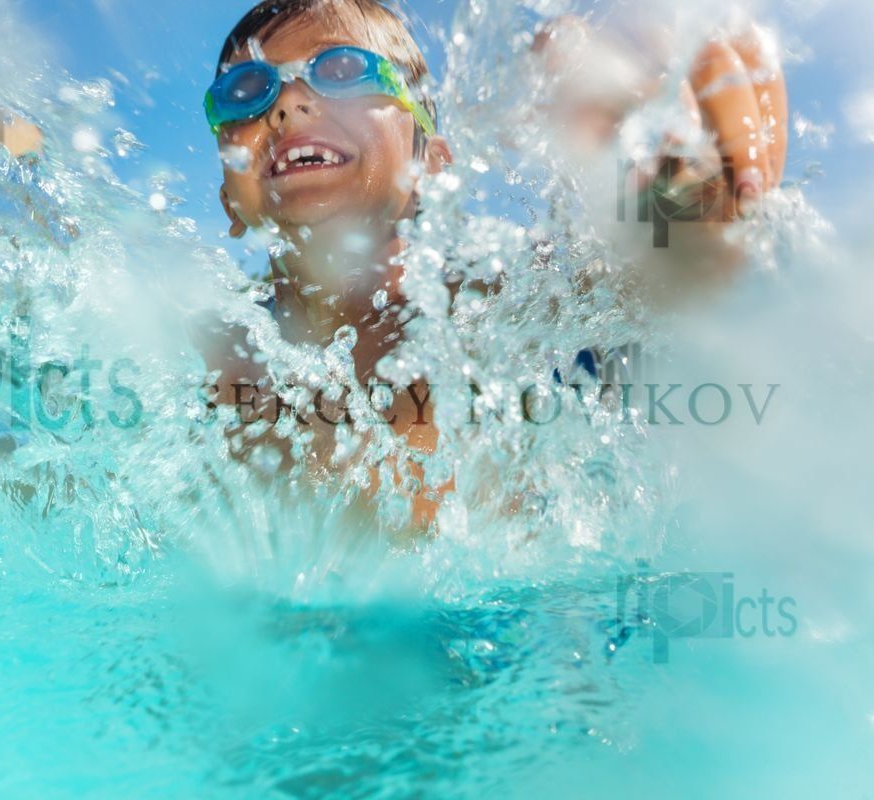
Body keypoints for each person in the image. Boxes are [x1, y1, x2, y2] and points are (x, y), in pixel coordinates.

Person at [197, 0, 788, 528]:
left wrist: (692, 175)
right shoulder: (201, 357)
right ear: (230, 198)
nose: (288, 102)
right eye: (246, 91)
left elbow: (668, 276)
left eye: (343, 71)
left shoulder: (511, 314)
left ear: (434, 164)